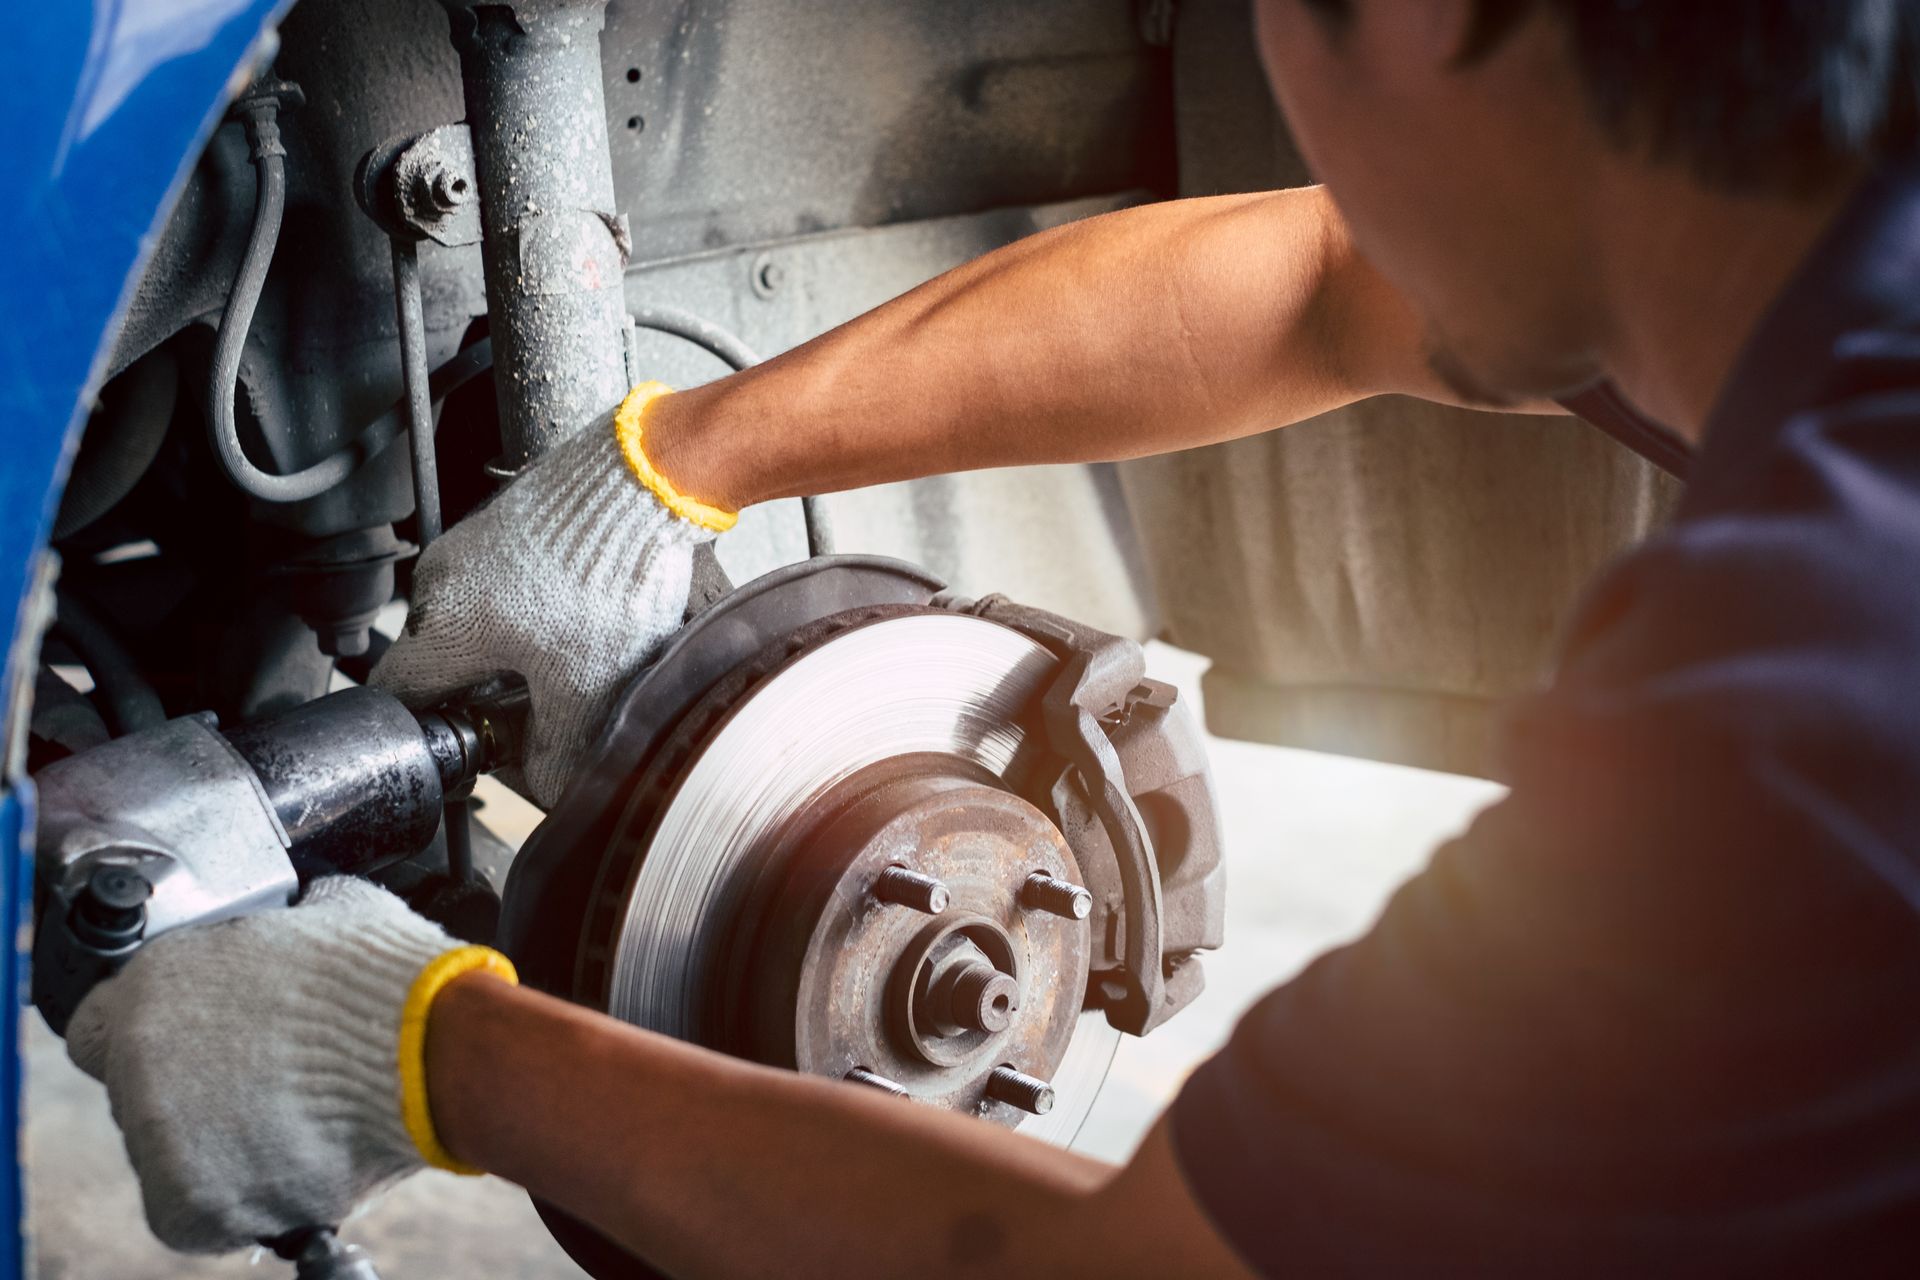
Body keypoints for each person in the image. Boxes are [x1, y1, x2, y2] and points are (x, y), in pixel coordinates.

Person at [66, 1, 1920, 1274]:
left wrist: (417, 1054)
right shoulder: (1792, 211)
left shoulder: (1807, 714)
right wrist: (668, 463)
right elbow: (1331, 282)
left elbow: (1150, 1274)